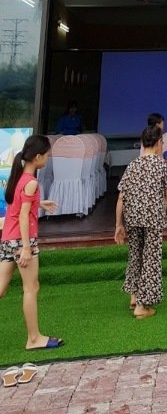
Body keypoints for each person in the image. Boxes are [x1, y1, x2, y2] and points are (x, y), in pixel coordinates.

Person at [0, 134, 62, 350]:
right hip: (22, 240)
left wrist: (39, 203)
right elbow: (24, 216)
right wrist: (26, 247)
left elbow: (18, 206)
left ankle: (34, 338)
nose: (47, 159)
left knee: (1, 288)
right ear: (37, 157)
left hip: (8, 239)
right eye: (47, 156)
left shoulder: (20, 177)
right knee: (31, 288)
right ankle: (34, 338)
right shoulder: (32, 182)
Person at [114, 125, 167, 319]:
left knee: (135, 255)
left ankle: (134, 297)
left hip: (132, 217)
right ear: (159, 143)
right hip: (153, 219)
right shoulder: (162, 165)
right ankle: (142, 306)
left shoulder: (133, 165)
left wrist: (118, 224)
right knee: (151, 258)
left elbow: (121, 198)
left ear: (142, 143)